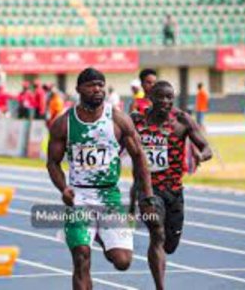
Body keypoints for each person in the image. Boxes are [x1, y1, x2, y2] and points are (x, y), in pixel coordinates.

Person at [46, 67, 155, 290]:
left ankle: (99, 235)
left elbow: (139, 157)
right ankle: (87, 234)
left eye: (100, 85)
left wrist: (148, 196)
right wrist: (63, 188)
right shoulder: (64, 123)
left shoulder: (118, 119)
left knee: (123, 262)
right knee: (81, 258)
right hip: (79, 197)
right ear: (78, 89)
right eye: (91, 85)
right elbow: (52, 163)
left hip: (109, 196)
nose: (97, 89)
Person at [130, 80, 212, 290]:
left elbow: (206, 148)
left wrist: (200, 155)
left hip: (174, 191)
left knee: (170, 245)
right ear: (151, 98)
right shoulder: (137, 121)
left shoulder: (182, 121)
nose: (165, 101)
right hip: (149, 190)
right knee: (156, 233)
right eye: (161, 97)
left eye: (169, 97)